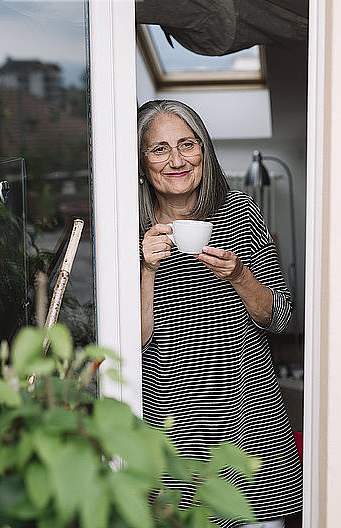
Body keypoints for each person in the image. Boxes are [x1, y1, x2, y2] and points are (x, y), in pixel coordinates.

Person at [138, 99, 302, 528]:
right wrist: (146, 269)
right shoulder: (127, 226)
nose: (176, 160)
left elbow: (282, 317)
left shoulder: (241, 211)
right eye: (159, 149)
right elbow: (129, 342)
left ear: (204, 152)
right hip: (170, 436)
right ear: (141, 162)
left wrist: (240, 274)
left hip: (252, 432)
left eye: (187, 144)